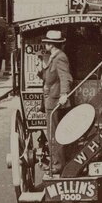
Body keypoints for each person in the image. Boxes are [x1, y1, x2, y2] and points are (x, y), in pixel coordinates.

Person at [39, 30, 73, 174]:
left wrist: (64, 94)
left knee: (53, 133)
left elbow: (66, 77)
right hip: (50, 99)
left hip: (54, 100)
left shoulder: (59, 57)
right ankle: (56, 163)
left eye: (46, 43)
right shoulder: (53, 56)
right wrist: (40, 69)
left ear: (51, 44)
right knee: (52, 132)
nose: (45, 45)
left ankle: (57, 165)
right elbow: (49, 77)